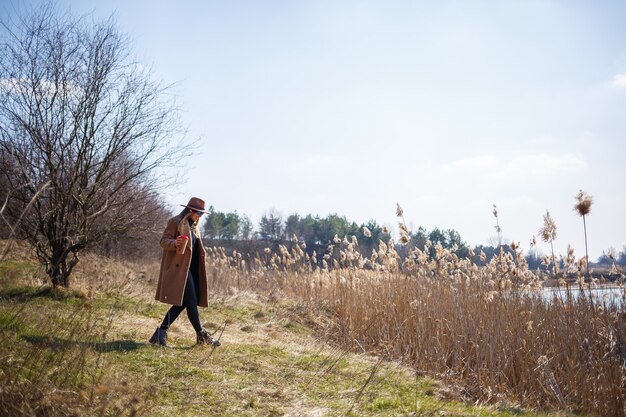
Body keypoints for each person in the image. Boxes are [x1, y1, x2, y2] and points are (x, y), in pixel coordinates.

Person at [149, 197, 220, 348]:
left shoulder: (194, 226)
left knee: (183, 303)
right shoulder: (175, 222)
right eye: (198, 213)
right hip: (179, 269)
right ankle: (202, 336)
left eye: (201, 214)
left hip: (191, 269)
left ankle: (160, 333)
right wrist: (175, 243)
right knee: (192, 301)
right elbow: (163, 241)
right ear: (190, 210)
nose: (200, 216)